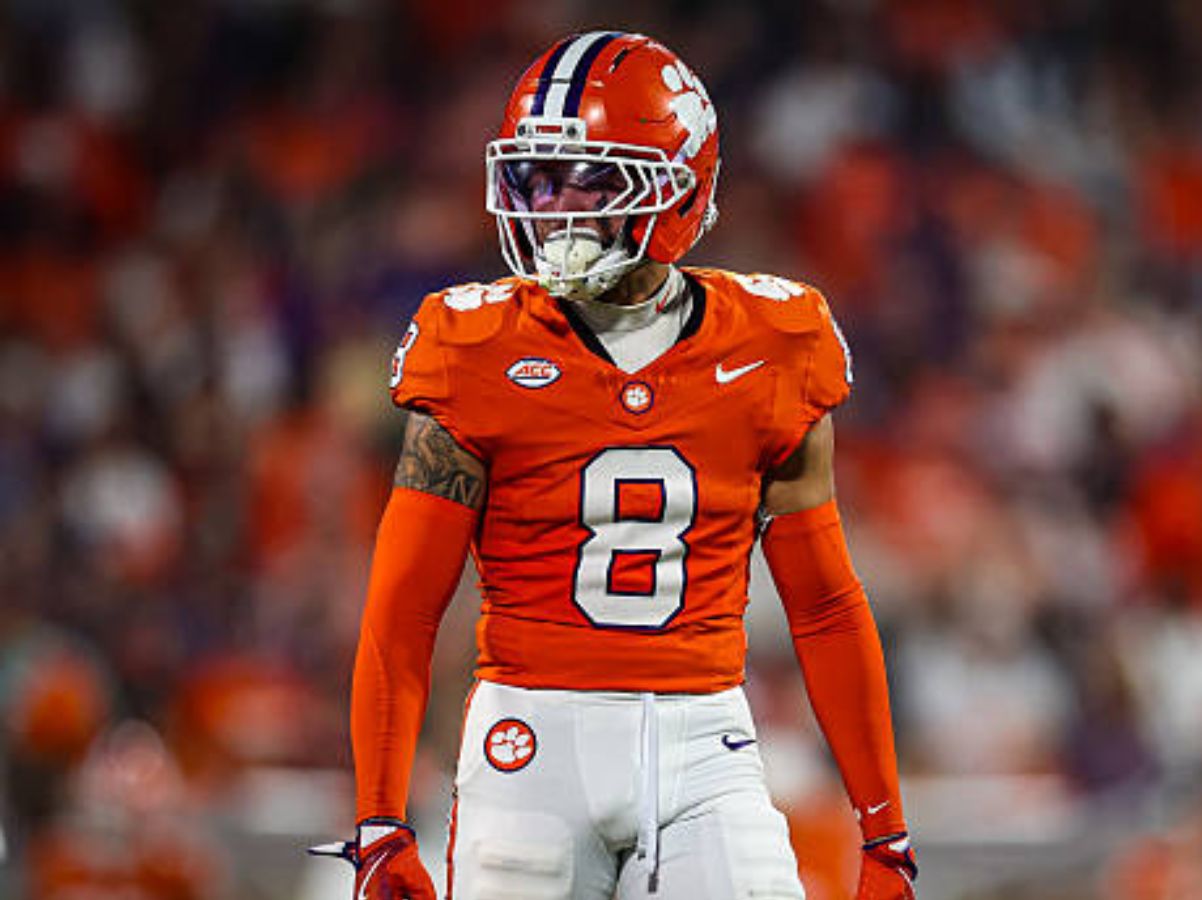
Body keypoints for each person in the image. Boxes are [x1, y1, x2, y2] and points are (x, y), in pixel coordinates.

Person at [311, 30, 917, 900]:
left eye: (588, 179)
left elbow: (823, 605)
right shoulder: (473, 345)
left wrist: (884, 828)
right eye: (537, 178)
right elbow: (403, 609)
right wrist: (378, 816)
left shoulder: (778, 344)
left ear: (676, 190)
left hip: (707, 740)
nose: (550, 205)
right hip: (528, 745)